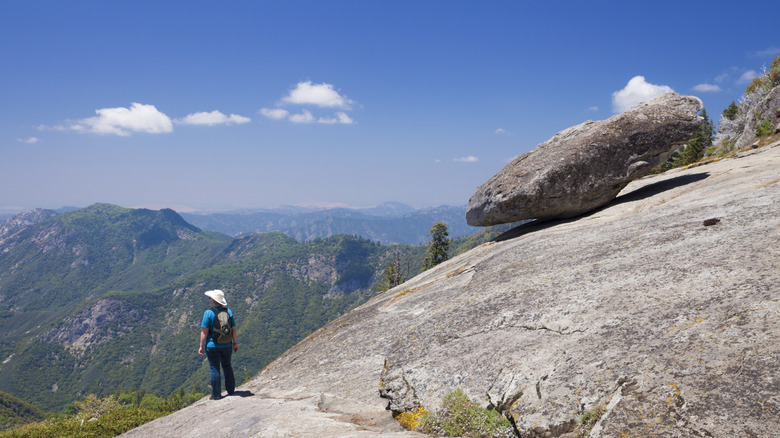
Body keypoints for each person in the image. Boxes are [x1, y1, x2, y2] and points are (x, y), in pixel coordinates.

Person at [198, 289, 238, 400]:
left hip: (212, 346)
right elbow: (233, 330)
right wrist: (235, 343)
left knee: (214, 369)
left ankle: (216, 394)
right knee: (227, 366)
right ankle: (231, 390)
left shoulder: (208, 313)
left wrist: (201, 346)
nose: (209, 299)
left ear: (213, 300)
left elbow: (204, 332)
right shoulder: (228, 312)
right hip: (227, 345)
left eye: (210, 298)